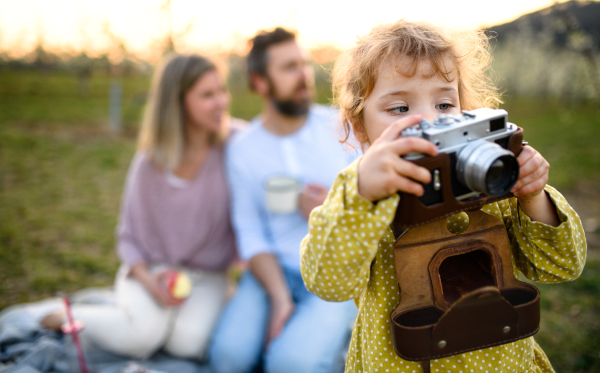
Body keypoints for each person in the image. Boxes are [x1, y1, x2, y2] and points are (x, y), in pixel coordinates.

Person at [300, 20, 587, 373]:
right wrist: (361, 194)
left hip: (500, 362)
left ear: (465, 110)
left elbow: (561, 266)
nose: (427, 123)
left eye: (444, 105)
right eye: (400, 109)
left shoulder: (489, 179)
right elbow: (327, 282)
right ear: (360, 126)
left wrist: (532, 196)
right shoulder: (364, 200)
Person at [42, 54, 242, 361]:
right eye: (207, 95)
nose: (221, 102)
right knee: (142, 337)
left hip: (209, 274)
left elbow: (277, 144)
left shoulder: (238, 143)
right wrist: (149, 281)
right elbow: (127, 236)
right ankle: (67, 315)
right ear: (178, 102)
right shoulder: (151, 162)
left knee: (188, 344)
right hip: (151, 268)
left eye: (222, 90)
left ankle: (136, 316)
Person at [208, 28, 358, 373]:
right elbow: (249, 232)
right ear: (260, 82)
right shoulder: (243, 149)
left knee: (288, 365)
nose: (304, 74)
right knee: (227, 358)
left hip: (334, 271)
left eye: (304, 64)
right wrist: (278, 298)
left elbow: (378, 208)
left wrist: (328, 211)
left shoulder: (342, 129)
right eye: (289, 67)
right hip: (270, 272)